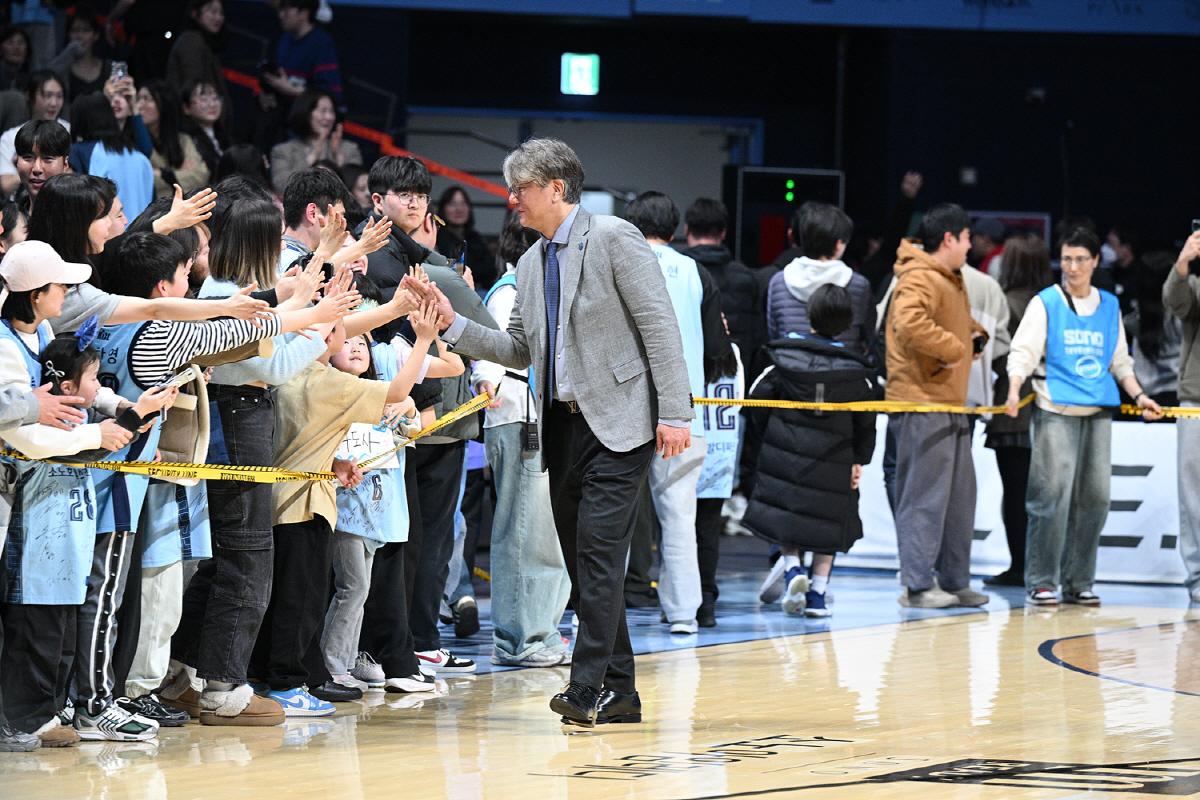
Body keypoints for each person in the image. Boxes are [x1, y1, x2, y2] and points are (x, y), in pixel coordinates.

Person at [410, 137, 693, 726]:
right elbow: (515, 346)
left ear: (556, 188)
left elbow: (660, 327)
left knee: (596, 554)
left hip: (622, 423)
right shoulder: (533, 260)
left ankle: (585, 686)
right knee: (588, 557)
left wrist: (675, 413)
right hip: (561, 428)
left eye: (521, 188)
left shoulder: (615, 237)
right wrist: (453, 324)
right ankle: (623, 693)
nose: (511, 199)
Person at [250, 303, 437, 715]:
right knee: (302, 601)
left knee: (283, 596)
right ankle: (287, 684)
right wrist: (423, 339)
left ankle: (272, 675)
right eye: (339, 330)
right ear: (327, 340)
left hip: (282, 498)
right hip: (305, 504)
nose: (347, 336)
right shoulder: (325, 380)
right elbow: (397, 393)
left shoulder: (288, 373)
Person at [1007, 227, 1162, 607]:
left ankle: (1079, 581)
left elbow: (1120, 360)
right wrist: (1014, 388)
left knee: (1096, 498)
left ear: (1095, 262)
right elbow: (1022, 352)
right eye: (1066, 259)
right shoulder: (1046, 302)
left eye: (1080, 259)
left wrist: (1139, 395)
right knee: (1051, 495)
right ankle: (1042, 580)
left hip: (1097, 411)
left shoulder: (1109, 305)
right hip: (1055, 408)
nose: (1071, 267)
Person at [470, 210, 571, 666]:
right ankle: (519, 639)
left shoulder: (533, 288)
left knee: (544, 534)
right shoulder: (510, 290)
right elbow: (489, 357)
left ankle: (542, 630)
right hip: (518, 420)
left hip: (539, 419)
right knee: (523, 532)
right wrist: (484, 382)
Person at [742, 284, 877, 617]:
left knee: (787, 518)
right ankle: (817, 596)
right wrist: (860, 458)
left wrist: (770, 436)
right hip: (835, 460)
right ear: (847, 323)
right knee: (828, 523)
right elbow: (867, 421)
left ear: (810, 315)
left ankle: (791, 570)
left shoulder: (782, 361)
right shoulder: (856, 375)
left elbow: (755, 401)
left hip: (784, 455)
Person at [886, 203, 990, 609]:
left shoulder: (950, 278)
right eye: (966, 239)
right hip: (921, 402)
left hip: (949, 403)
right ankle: (916, 586)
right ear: (949, 239)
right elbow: (909, 324)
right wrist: (956, 347)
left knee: (959, 500)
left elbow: (951, 324)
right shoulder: (918, 276)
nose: (970, 246)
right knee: (924, 498)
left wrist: (973, 335)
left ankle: (954, 580)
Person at [624, 191, 711, 634]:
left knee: (613, 517)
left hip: (630, 410)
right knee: (680, 517)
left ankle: (601, 615)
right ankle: (683, 614)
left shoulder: (623, 263)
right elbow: (715, 341)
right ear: (675, 230)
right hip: (685, 410)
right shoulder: (696, 270)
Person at [982, 233, 1054, 587]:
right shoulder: (1057, 303)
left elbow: (994, 356)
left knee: (1015, 494)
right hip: (1053, 408)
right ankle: (1043, 568)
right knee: (1048, 495)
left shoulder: (1005, 304)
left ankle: (1019, 566)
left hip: (1011, 414)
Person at [767, 202, 873, 356]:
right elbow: (868, 337)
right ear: (838, 245)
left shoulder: (778, 281)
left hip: (791, 372)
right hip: (844, 373)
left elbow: (774, 335)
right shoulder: (859, 285)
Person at [680, 197, 764, 370]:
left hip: (685, 378)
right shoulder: (746, 278)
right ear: (723, 233)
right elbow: (757, 339)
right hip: (732, 380)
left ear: (687, 230)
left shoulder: (674, 274)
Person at [1164, 228, 1200, 603]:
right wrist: (1183, 263)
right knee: (1194, 498)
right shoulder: (1194, 282)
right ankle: (1198, 578)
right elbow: (1175, 302)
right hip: (1196, 400)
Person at [67, 94, 155, 221]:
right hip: (143, 236)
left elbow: (74, 201)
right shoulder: (139, 156)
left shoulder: (79, 151)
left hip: (105, 236)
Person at [270, 88, 361, 194]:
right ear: (306, 113)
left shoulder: (349, 148)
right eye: (323, 111)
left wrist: (338, 159)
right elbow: (282, 186)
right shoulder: (283, 151)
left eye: (331, 111)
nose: (329, 117)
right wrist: (312, 157)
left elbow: (358, 189)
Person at [133, 81, 210, 199]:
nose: (139, 106)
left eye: (147, 99)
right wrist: (179, 174)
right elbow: (140, 178)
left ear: (164, 104)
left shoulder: (183, 140)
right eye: (138, 99)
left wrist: (163, 174)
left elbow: (201, 174)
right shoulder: (134, 141)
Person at [260, 0, 343, 105]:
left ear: (304, 14)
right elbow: (282, 77)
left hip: (308, 117)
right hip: (286, 115)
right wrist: (269, 94)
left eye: (286, 12)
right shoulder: (284, 40)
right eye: (280, 11)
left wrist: (293, 90)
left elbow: (331, 93)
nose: (281, 16)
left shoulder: (322, 45)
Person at [0, 71, 68, 197]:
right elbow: (6, 185)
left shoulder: (70, 132)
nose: (54, 103)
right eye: (47, 96)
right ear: (30, 96)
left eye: (59, 96)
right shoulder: (10, 137)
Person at [166, 0, 231, 127]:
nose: (218, 18)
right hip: (193, 128)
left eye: (221, 13)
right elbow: (194, 91)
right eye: (212, 11)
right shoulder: (192, 41)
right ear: (194, 14)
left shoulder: (204, 43)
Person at [436, 186, 496, 290]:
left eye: (463, 203)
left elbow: (491, 271)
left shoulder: (475, 238)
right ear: (443, 208)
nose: (459, 209)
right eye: (452, 204)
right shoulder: (436, 239)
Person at [46, 11, 110, 104]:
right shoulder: (63, 69)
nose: (80, 36)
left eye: (86, 30)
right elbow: (45, 78)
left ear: (96, 35)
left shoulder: (108, 67)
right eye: (74, 31)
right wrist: (67, 54)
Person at [10, 119, 69, 212]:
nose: (37, 169)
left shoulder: (81, 218)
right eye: (28, 157)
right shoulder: (8, 219)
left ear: (65, 164)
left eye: (47, 158)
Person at [180, 79, 229, 177]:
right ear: (186, 108)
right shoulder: (185, 141)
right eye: (203, 100)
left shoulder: (224, 136)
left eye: (216, 98)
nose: (212, 104)